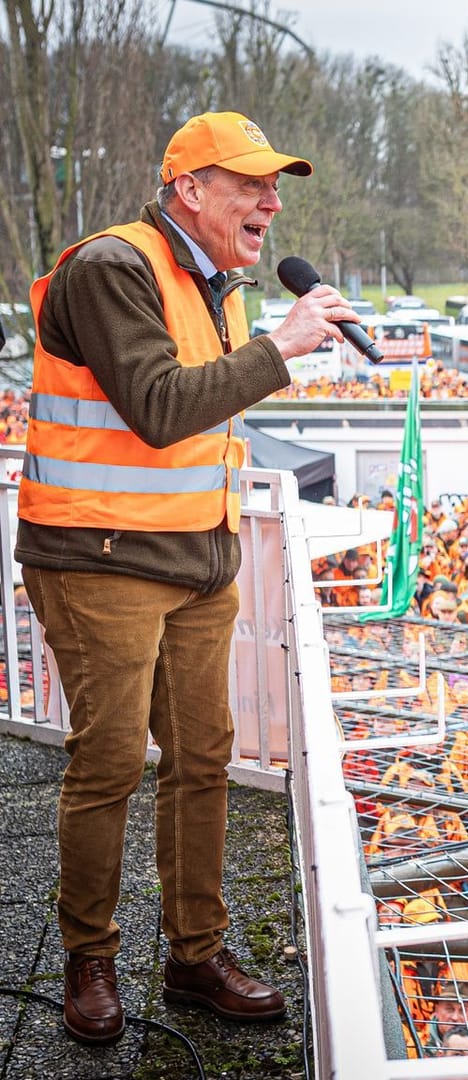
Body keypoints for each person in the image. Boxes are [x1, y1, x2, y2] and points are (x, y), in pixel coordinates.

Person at [18, 111, 350, 1044]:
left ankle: (194, 954)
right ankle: (89, 958)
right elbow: (160, 411)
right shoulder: (110, 269)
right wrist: (279, 349)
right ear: (188, 190)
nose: (271, 202)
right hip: (100, 560)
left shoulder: (220, 284)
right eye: (250, 183)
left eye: (276, 185)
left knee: (205, 756)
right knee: (112, 761)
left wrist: (267, 348)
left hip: (198, 557)